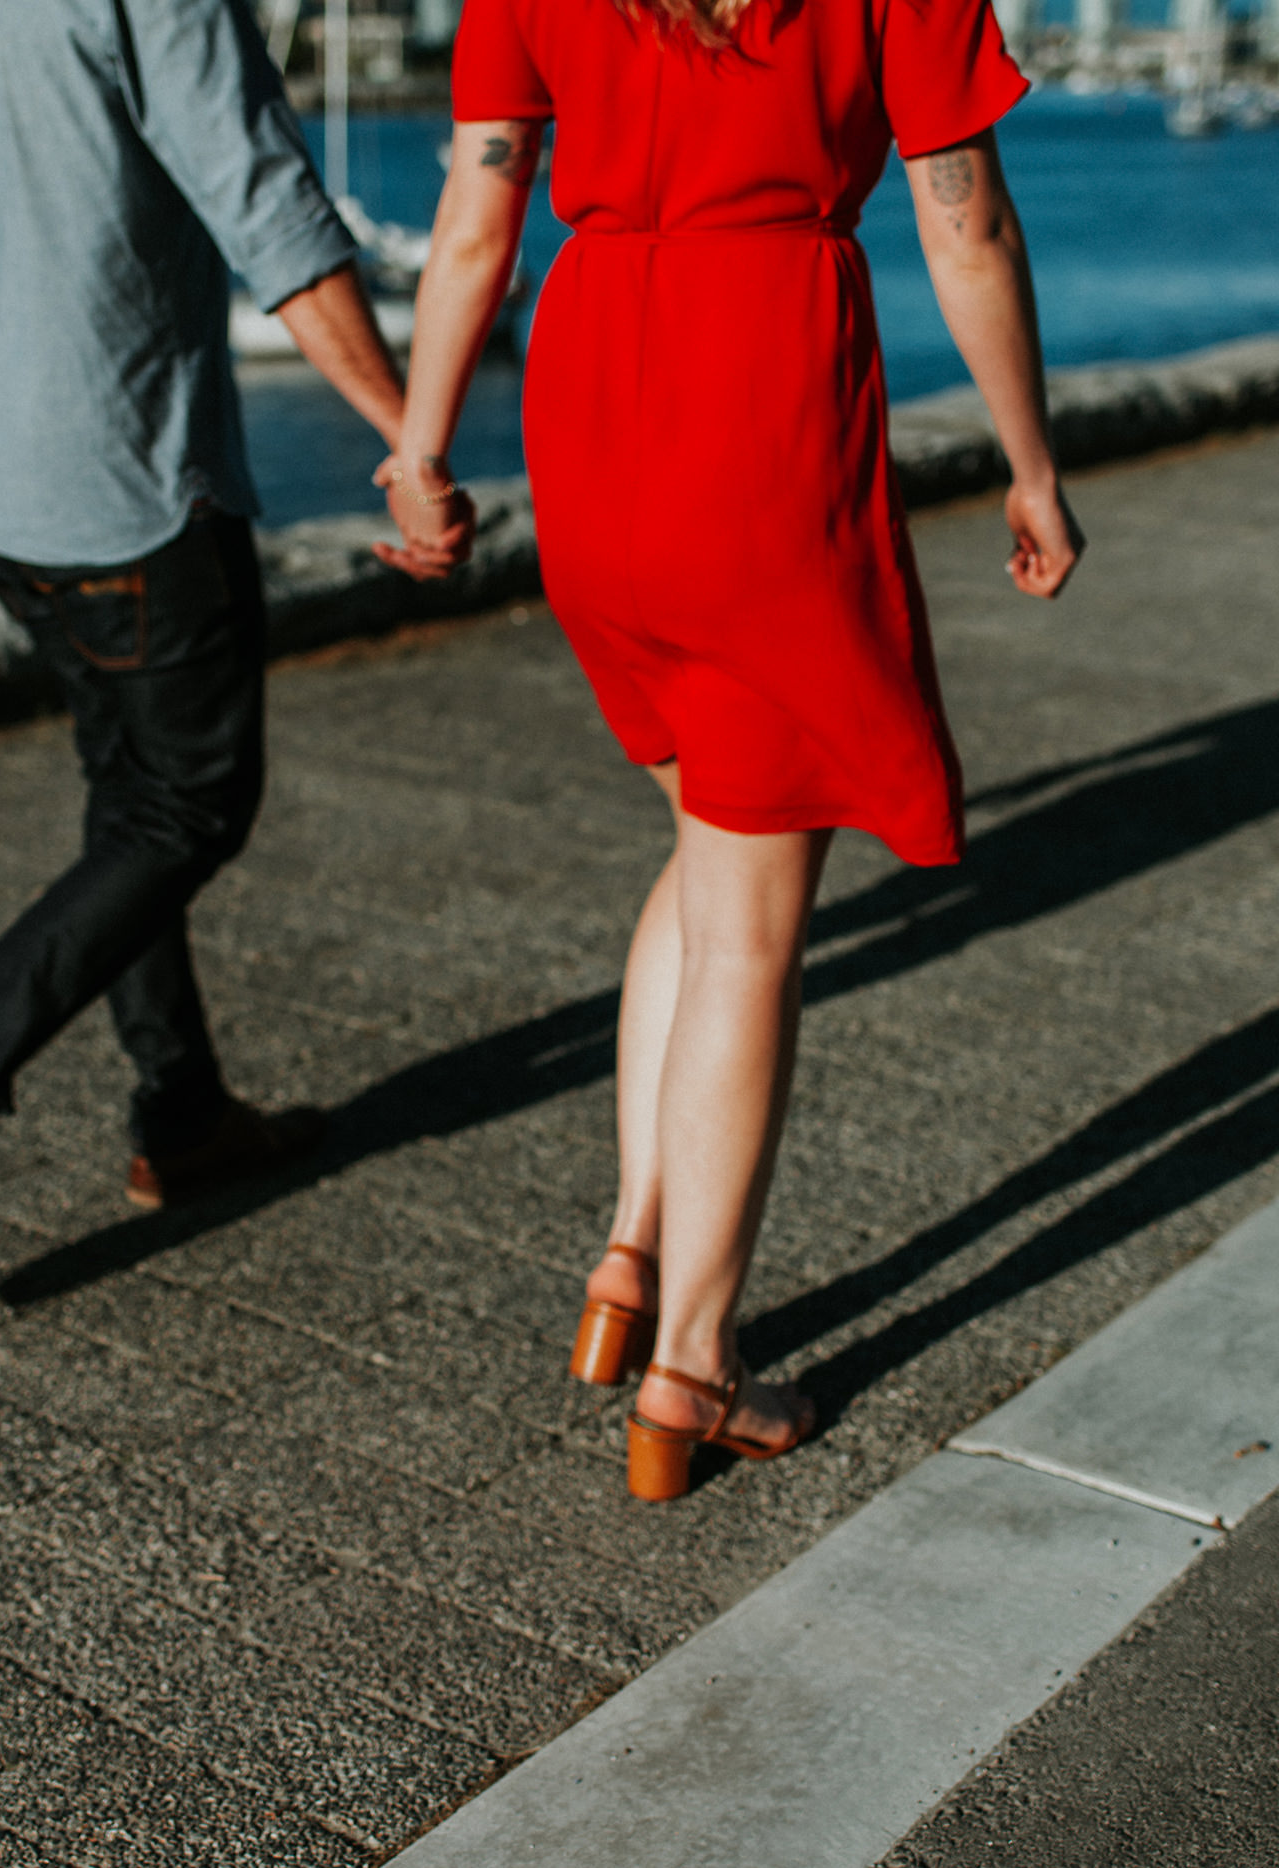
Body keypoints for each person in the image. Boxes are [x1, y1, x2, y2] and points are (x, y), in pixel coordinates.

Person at [385, 0, 1082, 1497]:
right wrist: (1031, 466)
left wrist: (421, 447)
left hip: (593, 411)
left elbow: (473, 218)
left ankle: (634, 1254)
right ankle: (692, 1369)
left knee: (712, 832)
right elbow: (970, 231)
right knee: (754, 928)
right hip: (760, 402)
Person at [0, 0, 473, 1303]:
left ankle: (182, 1114)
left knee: (131, 801)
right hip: (134, 491)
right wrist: (410, 444)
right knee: (191, 804)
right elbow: (271, 213)